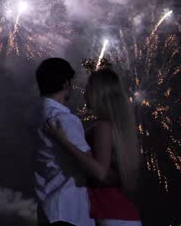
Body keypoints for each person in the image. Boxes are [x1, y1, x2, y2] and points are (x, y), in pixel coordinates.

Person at [44, 68, 142, 226]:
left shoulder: (103, 126)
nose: (84, 93)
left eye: (88, 87)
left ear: (98, 93)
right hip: (123, 214)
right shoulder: (118, 127)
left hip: (110, 214)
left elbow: (100, 173)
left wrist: (62, 140)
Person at [33, 58, 95, 226]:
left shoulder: (36, 116)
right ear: (66, 83)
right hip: (69, 210)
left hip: (47, 208)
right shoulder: (63, 119)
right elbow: (89, 164)